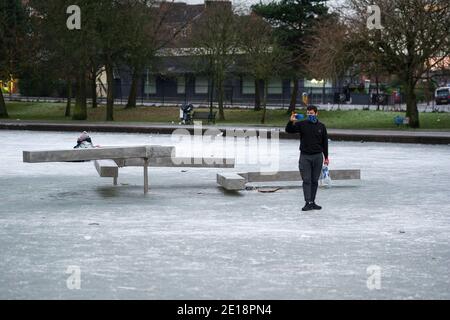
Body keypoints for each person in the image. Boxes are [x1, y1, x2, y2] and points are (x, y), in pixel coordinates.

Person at [285, 105, 329, 211]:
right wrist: (291, 121)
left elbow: (325, 142)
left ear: (316, 113)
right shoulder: (302, 124)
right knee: (307, 180)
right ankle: (307, 202)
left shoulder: (321, 126)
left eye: (312, 113)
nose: (310, 115)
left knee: (314, 180)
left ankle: (313, 202)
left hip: (318, 156)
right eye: (308, 113)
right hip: (305, 157)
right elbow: (288, 130)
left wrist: (326, 157)